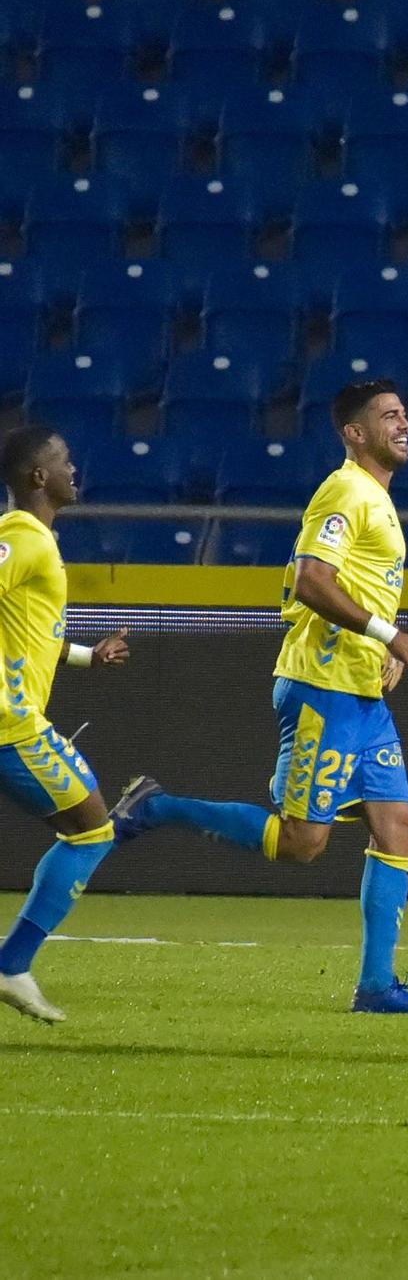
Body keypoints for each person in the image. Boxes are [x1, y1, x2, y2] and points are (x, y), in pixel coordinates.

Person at [113, 378, 408, 1015]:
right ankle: (158, 808)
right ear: (355, 434)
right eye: (388, 417)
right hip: (321, 686)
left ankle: (376, 987)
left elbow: (351, 587)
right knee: (303, 844)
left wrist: (379, 650)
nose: (404, 425)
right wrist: (390, 633)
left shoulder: (377, 499)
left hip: (358, 689)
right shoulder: (346, 490)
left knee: (398, 828)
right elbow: (311, 581)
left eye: (406, 415)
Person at [0, 428, 133, 1023]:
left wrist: (86, 656)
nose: (73, 468)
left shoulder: (37, 541)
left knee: (88, 827)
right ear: (37, 477)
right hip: (11, 726)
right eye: (63, 460)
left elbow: (32, 633)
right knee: (91, 830)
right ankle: (11, 965)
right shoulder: (20, 536)